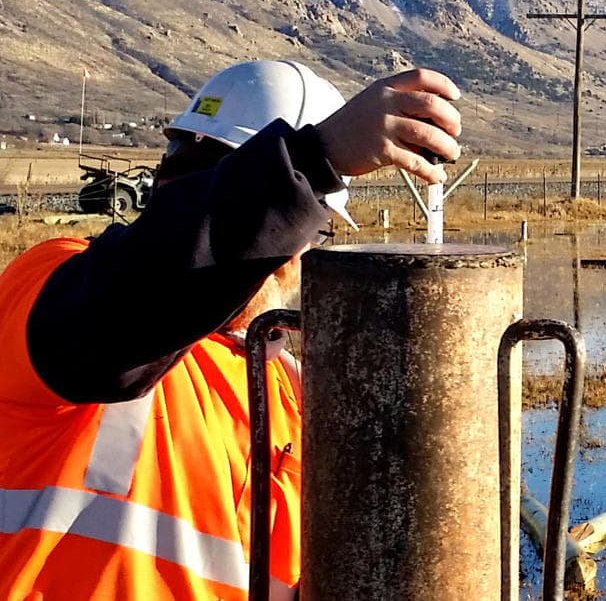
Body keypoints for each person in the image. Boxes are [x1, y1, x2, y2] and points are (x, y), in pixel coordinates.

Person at [0, 60, 463, 599]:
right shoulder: (51, 288)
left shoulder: (284, 390)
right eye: (304, 225)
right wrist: (312, 163)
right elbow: (139, 294)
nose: (302, 255)